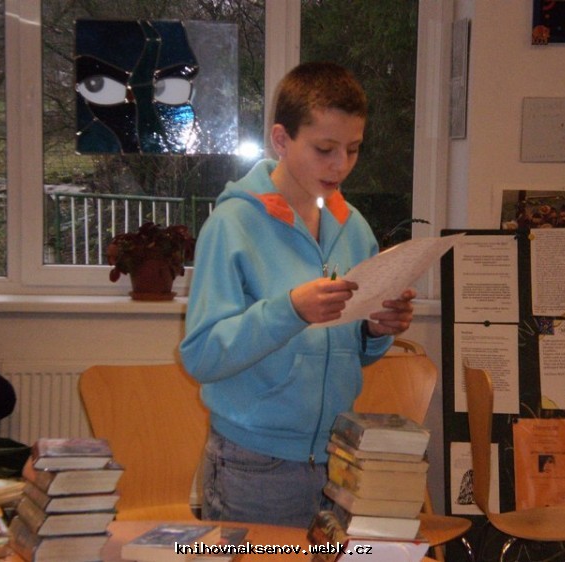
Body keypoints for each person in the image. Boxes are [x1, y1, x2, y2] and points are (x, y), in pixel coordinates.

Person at [179, 61, 415, 528]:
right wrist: (290, 310)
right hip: (254, 466)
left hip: (339, 459)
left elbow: (351, 353)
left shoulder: (353, 227)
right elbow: (202, 357)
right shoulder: (232, 225)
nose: (341, 165)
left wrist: (376, 331)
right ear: (281, 140)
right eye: (325, 149)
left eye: (353, 149)